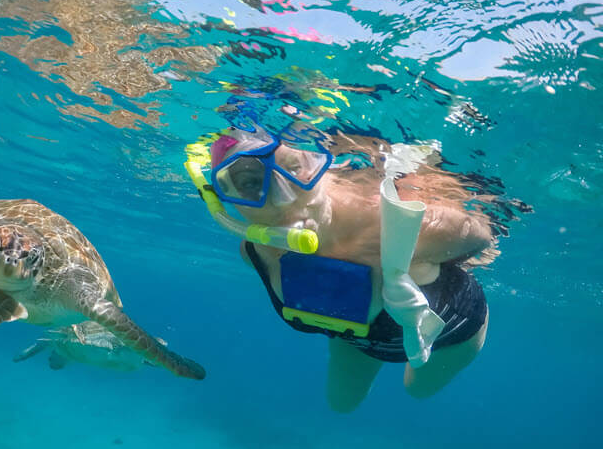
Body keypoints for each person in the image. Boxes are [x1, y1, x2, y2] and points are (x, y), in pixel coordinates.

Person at [186, 120, 493, 412]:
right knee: (341, 404)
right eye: (251, 182)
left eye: (296, 168)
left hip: (454, 332)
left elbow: (483, 238)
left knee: (418, 391)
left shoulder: (394, 223)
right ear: (223, 195)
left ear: (323, 165)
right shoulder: (253, 252)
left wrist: (416, 259)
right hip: (356, 341)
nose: (282, 198)